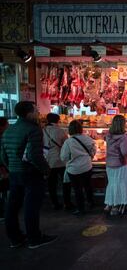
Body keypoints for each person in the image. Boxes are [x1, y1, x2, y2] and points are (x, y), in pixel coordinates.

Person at [0, 101, 57, 249]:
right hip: (31, 173)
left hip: (14, 172)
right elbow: (34, 155)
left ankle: (15, 238)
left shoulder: (9, 130)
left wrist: (11, 167)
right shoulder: (33, 129)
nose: (38, 113)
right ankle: (34, 238)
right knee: (31, 206)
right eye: (36, 110)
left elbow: (3, 155)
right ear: (29, 113)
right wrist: (46, 170)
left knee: (12, 207)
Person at [60, 120, 96, 215]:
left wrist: (71, 158)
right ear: (81, 129)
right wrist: (89, 157)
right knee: (88, 186)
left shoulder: (68, 142)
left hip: (74, 169)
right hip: (87, 166)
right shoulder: (88, 139)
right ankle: (91, 202)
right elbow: (93, 151)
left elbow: (64, 157)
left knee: (78, 189)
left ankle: (81, 209)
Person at [43, 113, 73, 210]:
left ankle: (55, 203)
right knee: (65, 182)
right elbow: (67, 144)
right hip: (61, 160)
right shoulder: (60, 131)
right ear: (58, 120)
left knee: (52, 184)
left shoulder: (42, 130)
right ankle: (67, 203)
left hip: (48, 160)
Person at [104, 115, 127, 216]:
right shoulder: (123, 137)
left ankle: (109, 204)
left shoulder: (108, 135)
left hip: (109, 163)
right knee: (119, 184)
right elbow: (124, 152)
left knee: (111, 183)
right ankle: (115, 207)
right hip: (120, 164)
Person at [0, 117, 10, 222]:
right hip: (2, 168)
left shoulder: (3, 137)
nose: (8, 126)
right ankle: (2, 213)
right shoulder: (2, 138)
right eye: (7, 124)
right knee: (3, 190)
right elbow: (2, 155)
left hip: (3, 167)